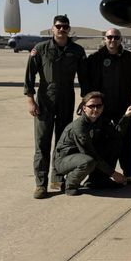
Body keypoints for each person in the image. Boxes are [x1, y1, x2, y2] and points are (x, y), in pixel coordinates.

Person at [24, 15, 88, 199]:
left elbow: (84, 77)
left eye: (65, 27)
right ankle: (40, 184)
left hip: (67, 98)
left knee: (62, 142)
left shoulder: (77, 50)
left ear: (69, 29)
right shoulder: (41, 49)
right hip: (45, 98)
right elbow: (29, 76)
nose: (62, 29)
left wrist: (85, 99)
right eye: (58, 26)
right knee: (42, 142)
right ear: (52, 28)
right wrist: (30, 100)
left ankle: (58, 179)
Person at [53, 92, 131, 195]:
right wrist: (113, 173)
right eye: (91, 106)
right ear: (84, 108)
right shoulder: (79, 126)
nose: (95, 109)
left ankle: (98, 180)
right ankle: (70, 185)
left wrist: (126, 116)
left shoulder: (100, 120)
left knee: (115, 143)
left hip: (83, 156)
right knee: (88, 161)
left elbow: (116, 135)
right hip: (65, 160)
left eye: (98, 106)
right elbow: (90, 154)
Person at [85, 28, 131, 174]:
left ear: (120, 39)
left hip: (124, 108)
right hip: (101, 109)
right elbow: (87, 83)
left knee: (126, 141)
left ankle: (129, 172)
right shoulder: (95, 59)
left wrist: (126, 94)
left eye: (116, 37)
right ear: (105, 38)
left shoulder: (130, 58)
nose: (112, 40)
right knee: (102, 142)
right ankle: (100, 175)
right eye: (109, 37)